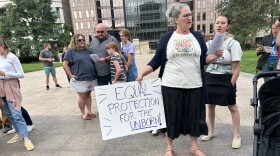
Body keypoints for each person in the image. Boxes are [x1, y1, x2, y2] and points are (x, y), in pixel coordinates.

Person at [136, 3, 223, 156]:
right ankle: (169, 147)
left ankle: (194, 146)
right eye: (185, 15)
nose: (189, 18)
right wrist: (142, 74)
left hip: (195, 84)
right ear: (176, 19)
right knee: (171, 116)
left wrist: (214, 56)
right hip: (171, 85)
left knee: (194, 117)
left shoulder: (196, 36)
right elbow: (156, 61)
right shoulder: (167, 38)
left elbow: (204, 59)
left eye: (190, 14)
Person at [201, 15, 243, 149]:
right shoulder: (209, 43)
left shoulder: (233, 44)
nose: (219, 25)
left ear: (227, 26)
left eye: (223, 23)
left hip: (226, 78)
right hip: (210, 76)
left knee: (232, 106)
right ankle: (211, 131)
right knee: (210, 105)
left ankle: (237, 136)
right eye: (217, 23)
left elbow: (237, 68)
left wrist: (231, 84)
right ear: (214, 25)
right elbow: (205, 61)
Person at [0, 37, 35, 151]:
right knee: (9, 114)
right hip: (0, 87)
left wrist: (4, 73)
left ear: (2, 46)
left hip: (10, 86)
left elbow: (21, 74)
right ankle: (19, 133)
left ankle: (26, 138)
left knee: (16, 114)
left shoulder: (12, 57)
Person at [63, 34, 98, 120]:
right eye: (79, 40)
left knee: (88, 94)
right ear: (75, 41)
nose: (82, 41)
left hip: (91, 77)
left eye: (83, 39)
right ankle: (83, 113)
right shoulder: (71, 51)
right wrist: (70, 75)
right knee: (82, 96)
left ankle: (89, 112)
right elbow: (65, 64)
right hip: (79, 78)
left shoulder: (88, 50)